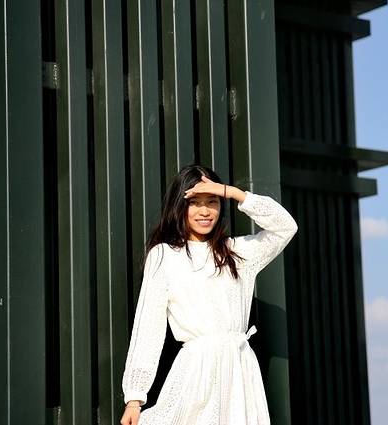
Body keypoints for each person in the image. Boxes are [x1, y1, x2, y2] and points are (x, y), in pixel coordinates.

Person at [119, 164, 298, 425]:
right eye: (195, 203)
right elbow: (148, 327)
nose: (204, 211)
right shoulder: (164, 256)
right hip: (196, 373)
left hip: (239, 373)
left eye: (212, 202)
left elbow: (286, 227)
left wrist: (233, 193)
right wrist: (135, 398)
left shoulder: (238, 252)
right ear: (180, 207)